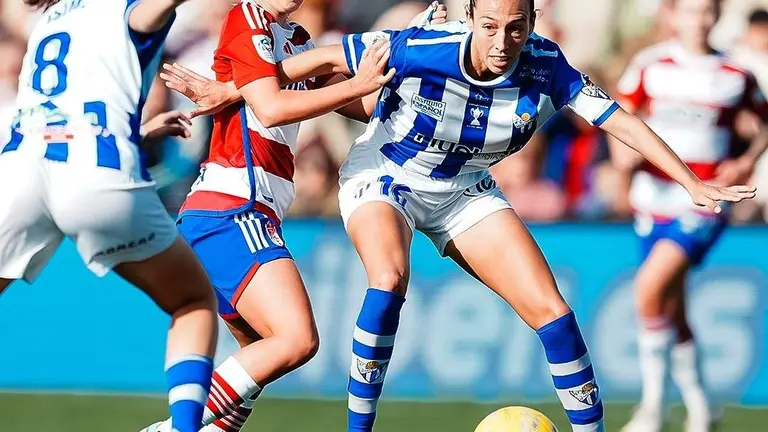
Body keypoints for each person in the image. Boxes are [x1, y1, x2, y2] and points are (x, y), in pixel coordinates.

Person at [161, 1, 756, 430]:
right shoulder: (421, 46)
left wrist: (690, 180)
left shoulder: (548, 67)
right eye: (491, 25)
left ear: (533, 22)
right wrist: (235, 91)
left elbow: (619, 121)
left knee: (553, 312)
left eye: (516, 27)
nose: (501, 41)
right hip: (384, 174)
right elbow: (313, 60)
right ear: (470, 17)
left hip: (464, 189)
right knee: (386, 280)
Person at [141, 1, 448, 432]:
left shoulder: (298, 38)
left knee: (260, 359)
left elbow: (359, 104)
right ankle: (174, 427)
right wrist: (350, 77)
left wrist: (415, 61)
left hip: (248, 213)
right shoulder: (247, 16)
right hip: (231, 207)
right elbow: (269, 106)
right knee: (296, 339)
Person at [0, 1, 221, 431]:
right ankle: (186, 427)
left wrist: (134, 131)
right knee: (192, 302)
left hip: (17, 172)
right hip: (95, 174)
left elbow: (62, 114)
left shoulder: (49, 18)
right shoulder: (127, 9)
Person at [611, 0, 768, 431]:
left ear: (716, 17)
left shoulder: (735, 74)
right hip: (652, 199)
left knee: (648, 287)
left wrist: (746, 159)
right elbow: (615, 118)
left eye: (706, 11)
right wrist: (620, 164)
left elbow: (765, 122)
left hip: (705, 200)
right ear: (672, 14)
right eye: (690, 11)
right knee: (670, 306)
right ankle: (702, 406)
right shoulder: (650, 65)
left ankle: (652, 408)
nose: (698, 20)